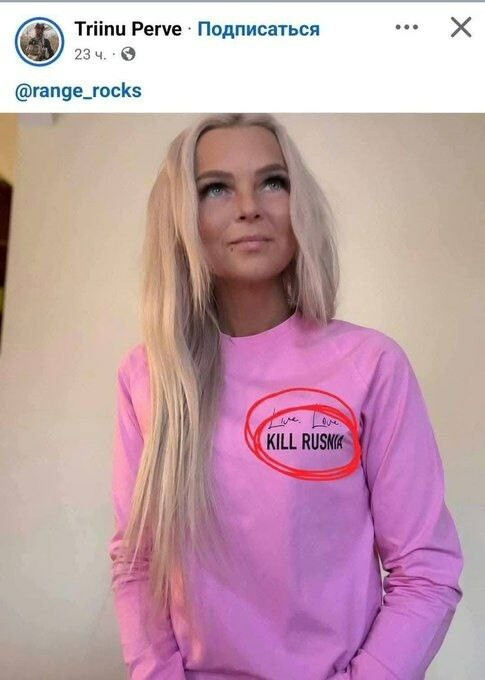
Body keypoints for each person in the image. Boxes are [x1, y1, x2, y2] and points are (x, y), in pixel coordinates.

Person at [108, 113, 464, 679]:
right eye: (215, 188)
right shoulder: (150, 376)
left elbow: (426, 569)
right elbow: (138, 561)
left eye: (273, 181)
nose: (249, 206)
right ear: (180, 216)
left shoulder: (371, 365)